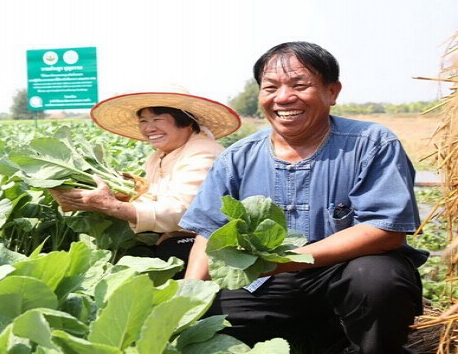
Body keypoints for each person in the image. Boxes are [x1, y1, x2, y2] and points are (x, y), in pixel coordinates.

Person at [179, 41, 427, 353]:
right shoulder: (237, 157)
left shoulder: (371, 143)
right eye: (270, 87)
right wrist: (189, 297)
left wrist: (285, 262)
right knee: (218, 320)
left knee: (377, 281)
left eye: (300, 85)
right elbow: (210, 230)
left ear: (332, 92)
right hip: (269, 281)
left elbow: (386, 230)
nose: (283, 97)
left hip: (344, 273)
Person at [50, 86, 241, 275]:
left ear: (187, 122)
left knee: (168, 255)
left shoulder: (203, 152)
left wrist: (111, 206)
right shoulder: (159, 156)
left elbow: (183, 212)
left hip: (209, 245)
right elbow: (151, 199)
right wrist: (116, 196)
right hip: (173, 236)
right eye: (143, 121)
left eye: (157, 119)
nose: (149, 128)